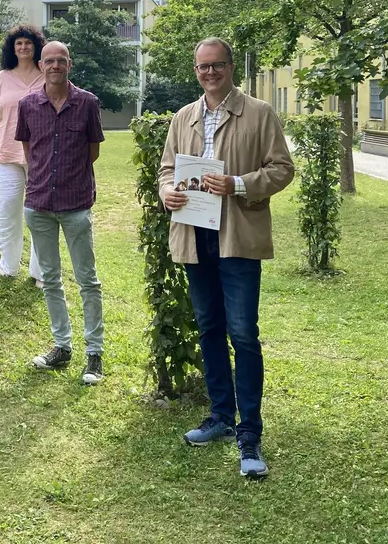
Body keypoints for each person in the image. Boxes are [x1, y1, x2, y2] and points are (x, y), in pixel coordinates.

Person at [158, 37, 295, 479]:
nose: (210, 73)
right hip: (195, 235)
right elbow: (166, 170)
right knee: (210, 328)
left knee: (243, 333)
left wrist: (236, 184)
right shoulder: (184, 118)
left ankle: (249, 433)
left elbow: (282, 168)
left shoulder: (259, 113)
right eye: (202, 67)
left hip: (237, 236)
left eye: (217, 65)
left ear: (231, 67)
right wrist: (167, 192)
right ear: (195, 71)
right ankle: (219, 416)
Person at [15, 41, 107, 385]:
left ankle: (94, 353)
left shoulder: (87, 103)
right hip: (38, 203)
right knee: (50, 279)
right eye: (49, 60)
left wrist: (67, 176)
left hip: (76, 204)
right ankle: (62, 346)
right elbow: (29, 150)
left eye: (61, 60)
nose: (55, 65)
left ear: (70, 64)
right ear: (41, 65)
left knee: (88, 280)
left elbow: (92, 152)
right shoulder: (28, 105)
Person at [0, 24, 46, 284]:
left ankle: (40, 271)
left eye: (28, 42)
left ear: (36, 47)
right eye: (18, 43)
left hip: (41, 156)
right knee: (9, 208)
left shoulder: (47, 74)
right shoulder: (3, 76)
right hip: (6, 153)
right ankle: (8, 266)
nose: (23, 47)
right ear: (13, 48)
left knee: (40, 213)